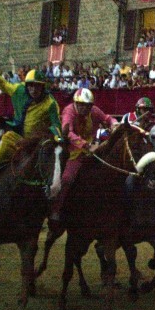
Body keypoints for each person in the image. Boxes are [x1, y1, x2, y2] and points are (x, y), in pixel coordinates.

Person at [0, 58, 61, 195]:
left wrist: (58, 138)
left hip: (35, 146)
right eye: (30, 85)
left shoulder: (50, 103)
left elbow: (56, 124)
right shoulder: (18, 90)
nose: (33, 89)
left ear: (43, 86)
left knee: (52, 173)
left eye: (37, 86)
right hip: (15, 138)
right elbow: (0, 81)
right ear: (26, 85)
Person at [49, 88, 118, 223]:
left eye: (87, 105)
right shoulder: (68, 111)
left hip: (93, 150)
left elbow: (107, 118)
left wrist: (114, 124)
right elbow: (68, 133)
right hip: (73, 152)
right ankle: (55, 210)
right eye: (80, 104)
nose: (83, 108)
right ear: (75, 103)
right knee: (67, 179)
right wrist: (86, 145)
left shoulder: (94, 111)